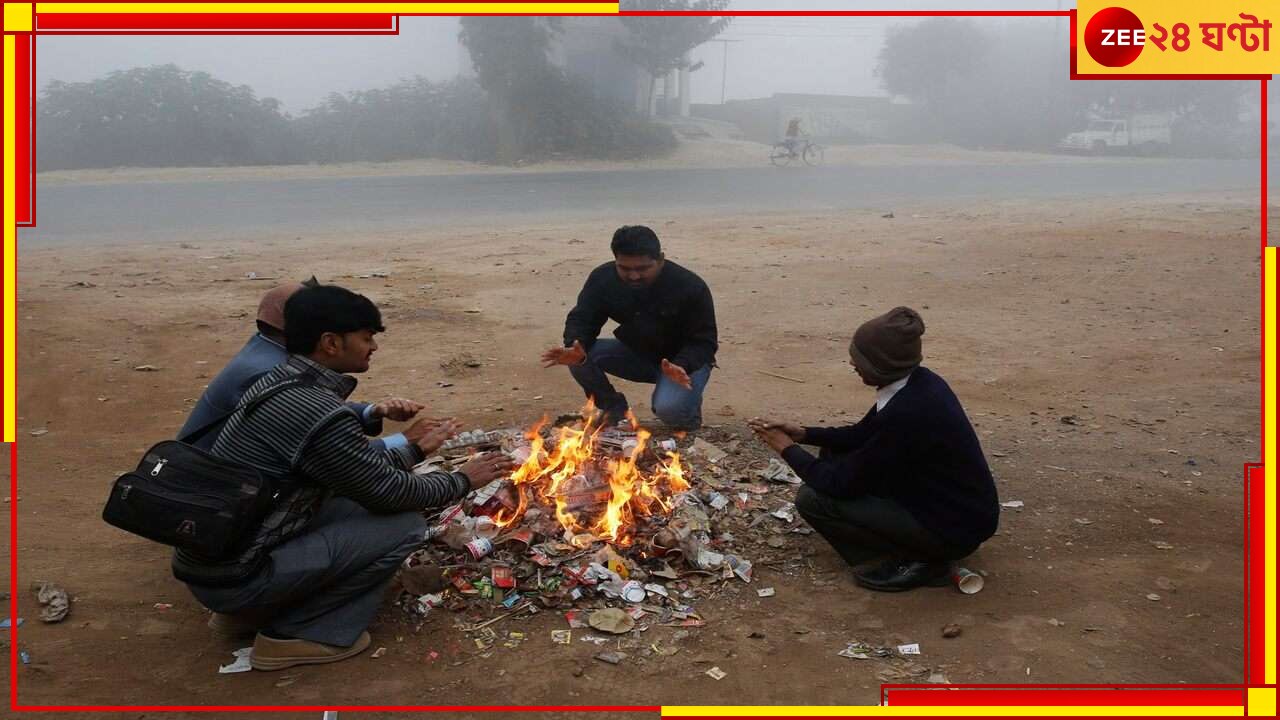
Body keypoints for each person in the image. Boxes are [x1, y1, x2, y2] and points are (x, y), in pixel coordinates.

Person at [176, 285, 515, 671]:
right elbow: (390, 493)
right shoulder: (315, 410)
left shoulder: (279, 383)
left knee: (352, 502)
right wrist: (463, 480)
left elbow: (348, 467)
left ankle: (246, 614)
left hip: (216, 564)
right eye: (367, 337)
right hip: (236, 574)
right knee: (403, 526)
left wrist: (415, 451)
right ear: (331, 343)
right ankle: (298, 633)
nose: (374, 347)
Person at [749, 307, 998, 592]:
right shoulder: (919, 383)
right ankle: (916, 547)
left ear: (881, 365)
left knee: (813, 499)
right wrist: (805, 434)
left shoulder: (909, 412)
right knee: (831, 454)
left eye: (860, 360)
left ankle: (917, 562)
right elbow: (863, 433)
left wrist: (786, 448)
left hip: (953, 529)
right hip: (957, 511)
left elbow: (840, 484)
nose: (853, 364)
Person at [178, 280, 422, 455]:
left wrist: (372, 411)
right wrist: (406, 441)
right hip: (216, 497)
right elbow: (330, 453)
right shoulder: (268, 372)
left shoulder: (268, 349)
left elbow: (315, 414)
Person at [541, 225, 717, 429]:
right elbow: (583, 317)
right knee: (578, 356)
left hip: (683, 365)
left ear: (660, 260)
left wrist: (682, 364)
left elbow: (704, 342)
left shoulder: (690, 286)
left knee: (671, 411)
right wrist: (574, 344)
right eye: (625, 268)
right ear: (615, 260)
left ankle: (688, 417)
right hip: (640, 354)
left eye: (642, 269)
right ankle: (615, 410)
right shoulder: (603, 279)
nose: (634, 276)